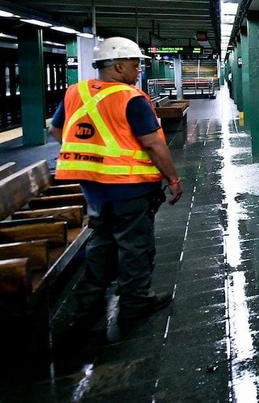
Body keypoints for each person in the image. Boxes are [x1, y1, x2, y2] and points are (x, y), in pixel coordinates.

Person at [49, 36, 184, 333]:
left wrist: (90, 154)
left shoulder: (76, 92)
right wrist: (172, 178)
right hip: (130, 187)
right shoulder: (130, 98)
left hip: (94, 188)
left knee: (102, 242)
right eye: (135, 66)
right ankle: (135, 305)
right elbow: (153, 144)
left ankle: (86, 305)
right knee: (135, 246)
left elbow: (56, 129)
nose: (138, 72)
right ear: (119, 66)